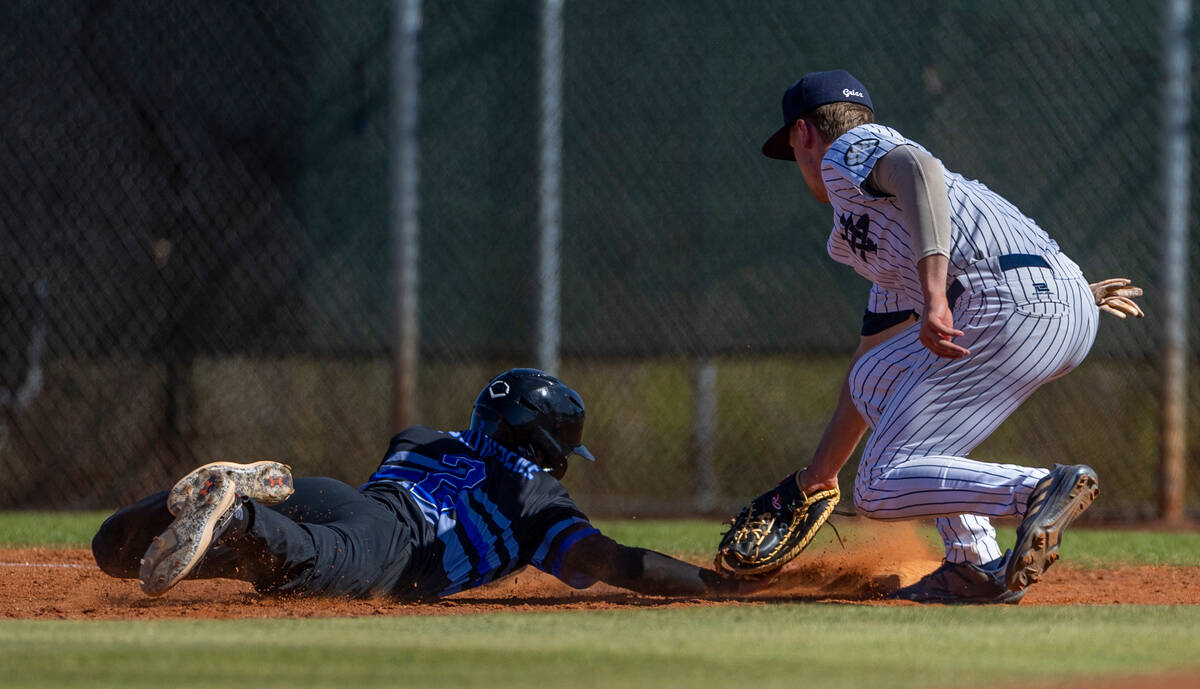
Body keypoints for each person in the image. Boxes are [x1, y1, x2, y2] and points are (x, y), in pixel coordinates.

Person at [722, 70, 1141, 604]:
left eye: (791, 148)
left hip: (1005, 303)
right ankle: (975, 563)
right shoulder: (872, 231)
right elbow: (867, 370)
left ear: (803, 134)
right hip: (1051, 299)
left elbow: (920, 168)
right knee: (874, 379)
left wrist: (936, 292)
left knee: (875, 488)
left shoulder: (846, 151)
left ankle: (1036, 489)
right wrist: (818, 478)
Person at [93, 368, 743, 601]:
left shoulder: (421, 437)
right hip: (394, 545)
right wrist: (717, 585)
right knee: (326, 568)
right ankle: (236, 516)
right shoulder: (534, 499)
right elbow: (619, 564)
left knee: (116, 554)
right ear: (542, 444)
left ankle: (172, 519)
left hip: (340, 495)